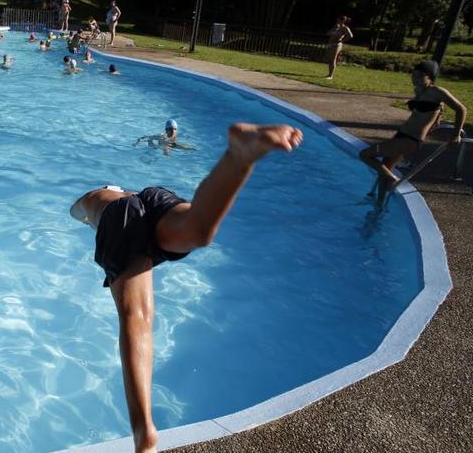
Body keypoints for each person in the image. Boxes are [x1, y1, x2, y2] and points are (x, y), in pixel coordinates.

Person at [69, 123, 302, 453]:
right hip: (154, 197)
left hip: (119, 219)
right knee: (198, 229)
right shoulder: (129, 194)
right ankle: (239, 157)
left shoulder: (93, 199)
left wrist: (84, 217)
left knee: (136, 316)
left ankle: (142, 431)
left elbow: (77, 212)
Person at [359, 60, 467, 201]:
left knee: (365, 155)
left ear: (430, 77)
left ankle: (393, 179)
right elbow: (429, 112)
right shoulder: (419, 91)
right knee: (385, 167)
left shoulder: (437, 92)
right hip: (402, 135)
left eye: (420, 75)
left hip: (411, 139)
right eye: (413, 74)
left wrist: (456, 134)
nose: (415, 78)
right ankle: (379, 204)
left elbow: (461, 109)